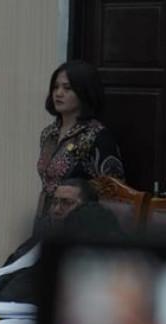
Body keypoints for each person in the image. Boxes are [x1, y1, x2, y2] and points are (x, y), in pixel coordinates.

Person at [0, 178, 120, 303]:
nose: (56, 210)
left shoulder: (86, 252)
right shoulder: (40, 238)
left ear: (87, 208)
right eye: (54, 202)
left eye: (66, 203)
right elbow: (8, 270)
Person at [37, 60, 125, 217]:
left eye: (67, 88)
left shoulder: (96, 136)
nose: (58, 93)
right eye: (55, 87)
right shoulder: (48, 133)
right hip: (46, 216)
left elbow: (113, 192)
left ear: (84, 92)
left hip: (78, 220)